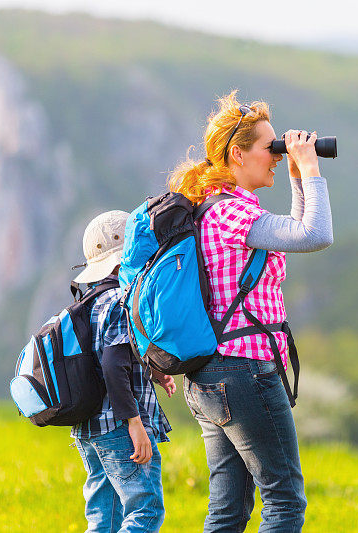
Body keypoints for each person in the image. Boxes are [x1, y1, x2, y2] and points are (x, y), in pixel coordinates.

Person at [168, 91, 333, 532]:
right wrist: (312, 169)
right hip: (245, 372)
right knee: (284, 501)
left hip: (209, 375)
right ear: (238, 154)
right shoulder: (234, 213)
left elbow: (294, 234)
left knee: (228, 512)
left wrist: (297, 173)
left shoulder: (210, 210)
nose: (277, 156)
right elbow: (316, 234)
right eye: (271, 148)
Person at [71, 210, 177, 533]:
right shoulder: (120, 299)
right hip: (118, 426)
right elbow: (113, 365)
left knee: (104, 518)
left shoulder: (89, 301)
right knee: (145, 511)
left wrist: (154, 372)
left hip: (89, 427)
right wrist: (135, 424)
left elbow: (109, 353)